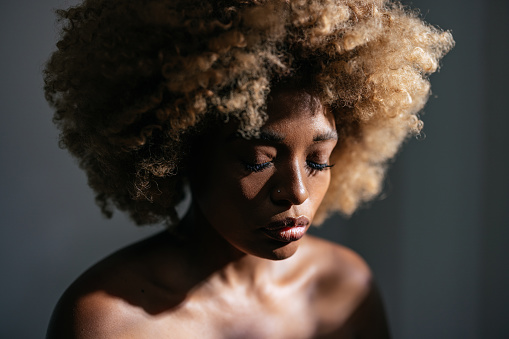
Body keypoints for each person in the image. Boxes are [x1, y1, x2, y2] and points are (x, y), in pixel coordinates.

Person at [43, 0, 453, 337]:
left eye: (318, 160)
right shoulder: (106, 322)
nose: (297, 192)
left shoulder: (345, 290)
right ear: (179, 149)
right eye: (259, 160)